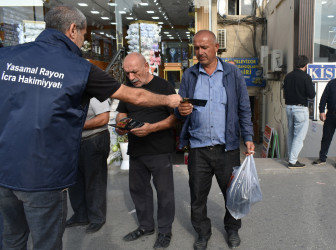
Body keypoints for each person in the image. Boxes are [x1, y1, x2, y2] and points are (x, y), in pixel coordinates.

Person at [0, 6, 181, 250]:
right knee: (45, 243)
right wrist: (168, 100)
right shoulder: (78, 68)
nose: (84, 42)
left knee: (11, 240)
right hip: (42, 175)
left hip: (4, 171)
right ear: (73, 30)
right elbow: (133, 97)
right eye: (84, 35)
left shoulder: (6, 58)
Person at [175, 30, 255, 250]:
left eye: (204, 47)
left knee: (233, 193)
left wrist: (248, 136)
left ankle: (232, 229)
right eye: (196, 48)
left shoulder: (232, 73)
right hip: (198, 148)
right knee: (197, 195)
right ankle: (202, 232)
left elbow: (243, 108)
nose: (200, 52)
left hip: (226, 148)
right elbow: (179, 107)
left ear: (215, 47)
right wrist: (181, 109)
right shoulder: (190, 75)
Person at [115, 52, 177, 249]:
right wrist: (120, 124)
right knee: (138, 190)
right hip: (136, 150)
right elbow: (121, 112)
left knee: (164, 193)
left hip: (159, 149)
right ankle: (146, 226)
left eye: (134, 72)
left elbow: (175, 118)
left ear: (146, 66)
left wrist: (152, 128)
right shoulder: (128, 89)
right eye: (127, 73)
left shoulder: (163, 86)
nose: (131, 77)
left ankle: (165, 231)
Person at [66, 98, 110, 234]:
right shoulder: (67, 92)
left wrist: (77, 125)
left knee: (94, 181)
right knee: (74, 182)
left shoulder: (94, 92)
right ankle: (81, 215)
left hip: (93, 139)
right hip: (73, 142)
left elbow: (103, 118)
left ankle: (97, 218)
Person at [283, 55, 316, 169]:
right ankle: (292, 161)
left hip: (289, 107)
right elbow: (311, 94)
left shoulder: (288, 76)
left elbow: (284, 93)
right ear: (306, 65)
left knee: (291, 133)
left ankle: (291, 157)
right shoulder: (306, 77)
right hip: (300, 108)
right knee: (299, 136)